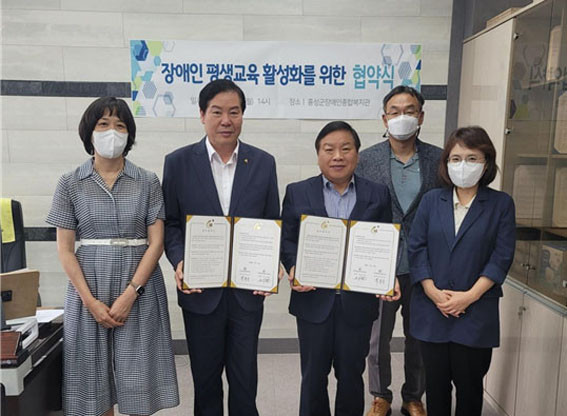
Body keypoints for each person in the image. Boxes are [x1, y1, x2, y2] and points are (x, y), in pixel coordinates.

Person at [47, 97, 179, 416]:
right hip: (88, 287)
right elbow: (65, 249)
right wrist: (90, 301)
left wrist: (131, 293)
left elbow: (156, 243)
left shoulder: (147, 181)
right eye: (103, 124)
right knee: (93, 378)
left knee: (140, 369)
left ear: (129, 134)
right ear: (89, 132)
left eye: (120, 126)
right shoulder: (70, 182)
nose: (112, 132)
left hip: (140, 285)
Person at [162, 79, 280, 416]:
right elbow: (171, 222)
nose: (226, 120)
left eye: (234, 112)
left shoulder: (263, 162)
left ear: (243, 115)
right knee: (205, 381)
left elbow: (272, 221)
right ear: (202, 115)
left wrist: (270, 263)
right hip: (200, 291)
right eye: (217, 112)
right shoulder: (178, 162)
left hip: (247, 292)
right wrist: (179, 260)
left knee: (245, 380)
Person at [281, 121, 400, 416]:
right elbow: (287, 239)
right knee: (313, 376)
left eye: (345, 149)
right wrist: (293, 266)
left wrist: (387, 274)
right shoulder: (298, 192)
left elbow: (385, 241)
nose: (337, 156)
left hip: (357, 304)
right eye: (329, 149)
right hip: (313, 301)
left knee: (351, 376)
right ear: (318, 155)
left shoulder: (378, 194)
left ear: (357, 154)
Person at [408, 126, 516, 416]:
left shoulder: (501, 204)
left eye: (472, 158)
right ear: (446, 163)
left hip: (475, 312)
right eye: (455, 159)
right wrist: (432, 291)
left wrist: (468, 296)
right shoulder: (431, 201)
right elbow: (416, 248)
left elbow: (501, 256)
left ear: (486, 162)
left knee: (469, 388)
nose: (463, 165)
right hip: (433, 310)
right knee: (436, 387)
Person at [356, 86, 442, 416]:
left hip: (425, 264)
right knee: (377, 336)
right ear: (384, 118)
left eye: (409, 110)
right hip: (381, 263)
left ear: (421, 117)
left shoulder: (439, 159)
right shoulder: (366, 160)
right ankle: (380, 395)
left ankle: (413, 396)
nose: (402, 117)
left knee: (419, 335)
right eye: (395, 111)